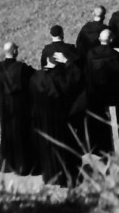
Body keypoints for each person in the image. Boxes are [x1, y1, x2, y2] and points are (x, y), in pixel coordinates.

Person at [29, 52, 83, 186]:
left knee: (47, 149)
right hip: (59, 120)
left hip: (42, 120)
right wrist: (68, 62)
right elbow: (77, 78)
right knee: (63, 148)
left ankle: (50, 176)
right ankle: (66, 178)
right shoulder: (59, 80)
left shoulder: (35, 78)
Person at [0, 42, 35, 176]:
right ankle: (22, 166)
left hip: (5, 107)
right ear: (15, 52)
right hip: (20, 107)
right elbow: (33, 80)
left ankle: (6, 165)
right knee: (22, 135)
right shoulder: (22, 68)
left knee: (7, 134)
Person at [83, 29, 119, 153]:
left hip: (96, 94)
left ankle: (102, 147)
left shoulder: (90, 54)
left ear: (99, 39)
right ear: (112, 39)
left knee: (99, 122)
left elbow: (87, 73)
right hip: (113, 96)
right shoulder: (117, 56)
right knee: (116, 122)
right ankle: (118, 147)